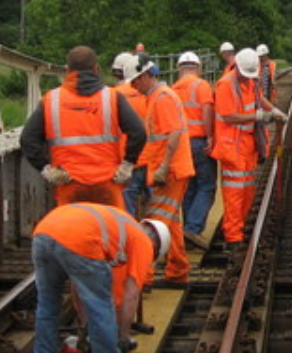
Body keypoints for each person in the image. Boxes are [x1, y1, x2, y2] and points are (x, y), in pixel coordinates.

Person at [31, 202, 169, 353]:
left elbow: (79, 290)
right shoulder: (144, 242)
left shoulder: (120, 227)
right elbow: (131, 296)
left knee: (47, 306)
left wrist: (87, 332)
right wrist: (122, 338)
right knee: (102, 305)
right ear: (156, 246)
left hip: (44, 233)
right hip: (79, 238)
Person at [20, 46, 145, 206]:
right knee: (112, 228)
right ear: (96, 69)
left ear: (67, 71)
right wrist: (127, 164)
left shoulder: (51, 100)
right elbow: (138, 132)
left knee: (73, 229)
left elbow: (27, 139)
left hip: (69, 183)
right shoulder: (112, 97)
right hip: (107, 181)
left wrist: (46, 169)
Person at [126, 54, 194, 286]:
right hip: (170, 169)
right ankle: (177, 271)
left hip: (170, 171)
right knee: (169, 221)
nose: (133, 86)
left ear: (146, 75)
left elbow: (173, 132)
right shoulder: (156, 97)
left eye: (135, 81)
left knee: (154, 222)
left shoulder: (162, 98)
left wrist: (163, 167)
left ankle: (144, 277)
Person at [211, 48, 286, 244]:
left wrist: (274, 109)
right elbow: (228, 117)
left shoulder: (251, 81)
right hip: (232, 145)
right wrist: (258, 116)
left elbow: (259, 98)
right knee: (234, 193)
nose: (248, 79)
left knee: (247, 190)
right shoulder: (226, 85)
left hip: (247, 143)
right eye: (246, 75)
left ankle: (242, 228)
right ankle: (233, 237)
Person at [172, 52, 216, 249]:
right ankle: (193, 228)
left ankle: (188, 230)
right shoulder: (202, 85)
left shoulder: (172, 89)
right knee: (206, 186)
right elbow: (206, 110)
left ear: (180, 68)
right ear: (197, 68)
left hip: (180, 144)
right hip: (198, 141)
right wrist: (210, 135)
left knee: (188, 187)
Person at [112, 52, 150, 215]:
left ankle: (130, 237)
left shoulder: (112, 96)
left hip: (125, 159)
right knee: (154, 205)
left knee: (127, 207)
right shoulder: (146, 92)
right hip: (149, 157)